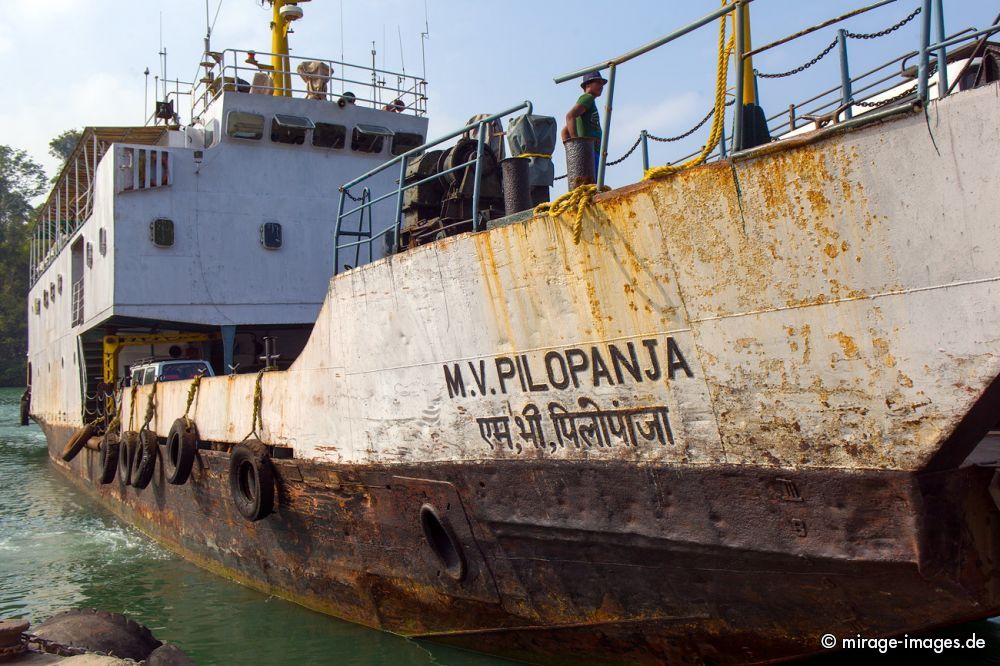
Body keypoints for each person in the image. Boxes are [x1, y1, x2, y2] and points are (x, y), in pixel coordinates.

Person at [562, 70, 607, 174]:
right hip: (588, 153)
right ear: (588, 85)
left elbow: (564, 131)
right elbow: (570, 116)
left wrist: (572, 153)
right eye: (598, 83)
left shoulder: (588, 104)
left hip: (591, 152)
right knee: (592, 185)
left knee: (593, 186)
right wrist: (576, 146)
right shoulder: (588, 98)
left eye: (602, 83)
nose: (601, 86)